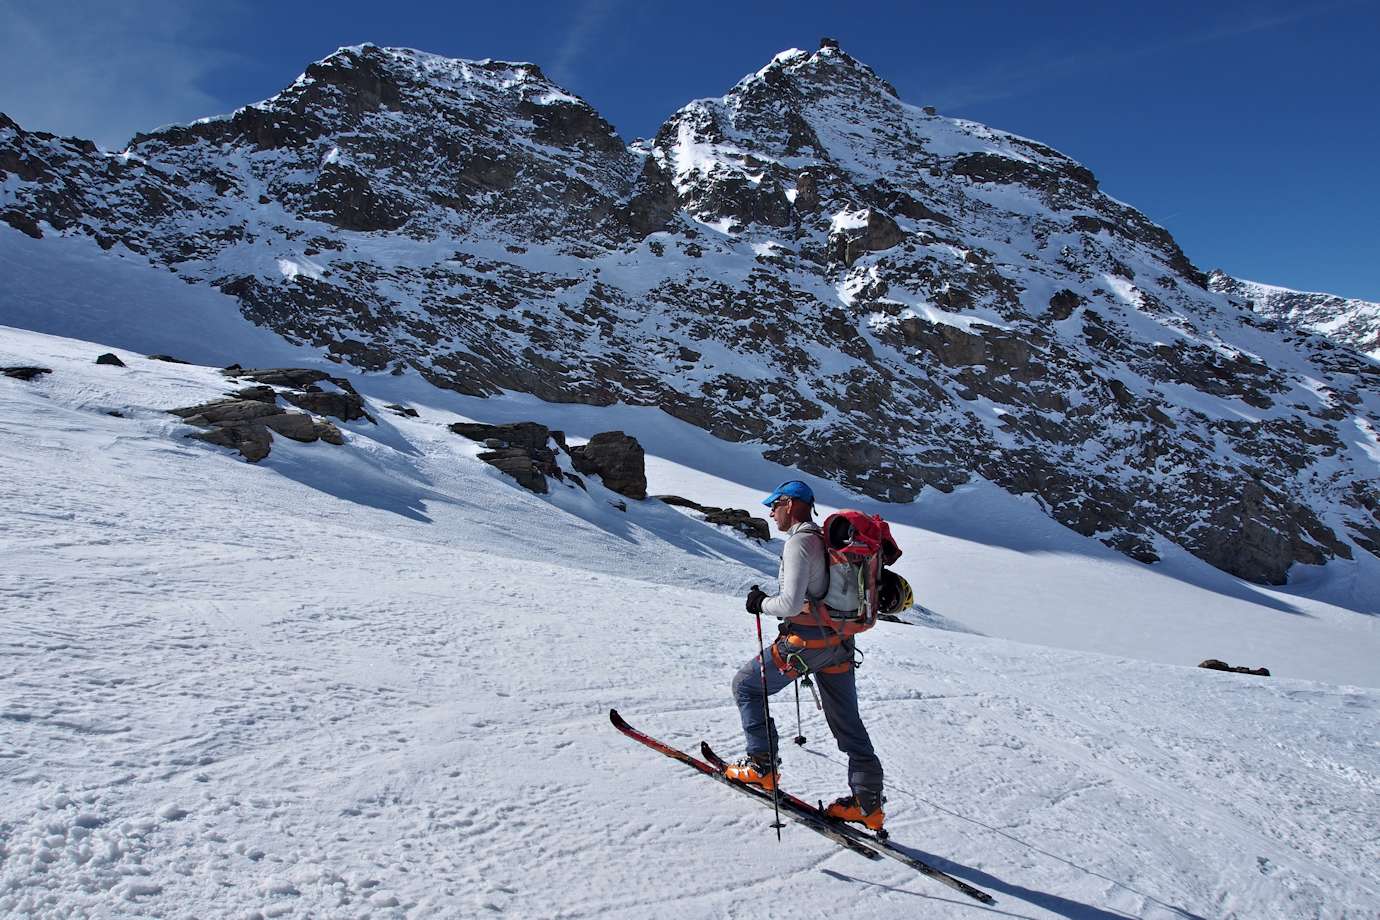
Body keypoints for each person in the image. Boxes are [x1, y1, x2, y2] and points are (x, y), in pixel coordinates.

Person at [727, 479, 886, 831]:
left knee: (747, 687)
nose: (770, 511)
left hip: (806, 643)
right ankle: (867, 804)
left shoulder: (801, 542)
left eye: (775, 504)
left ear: (790, 504)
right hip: (839, 644)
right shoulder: (824, 542)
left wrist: (760, 603)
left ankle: (761, 766)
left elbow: (791, 603)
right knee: (849, 724)